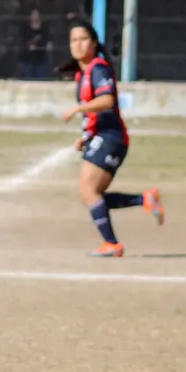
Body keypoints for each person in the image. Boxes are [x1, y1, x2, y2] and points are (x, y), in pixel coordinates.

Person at [58, 19, 164, 257]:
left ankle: (112, 244)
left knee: (88, 192)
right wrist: (84, 137)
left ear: (94, 43)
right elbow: (96, 114)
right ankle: (145, 199)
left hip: (112, 137)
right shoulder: (82, 75)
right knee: (91, 194)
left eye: (83, 39)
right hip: (101, 136)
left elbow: (107, 101)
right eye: (73, 40)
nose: (78, 44)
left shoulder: (98, 68)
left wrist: (77, 109)